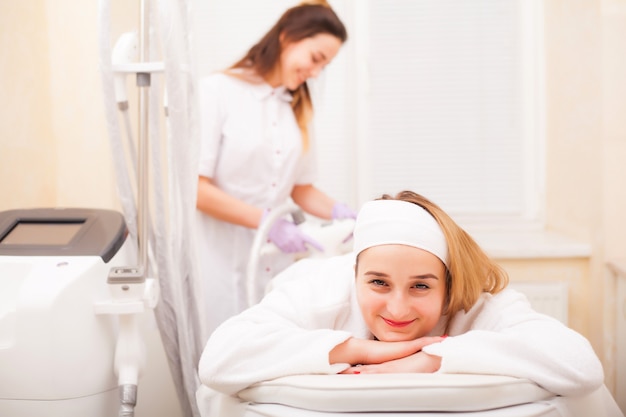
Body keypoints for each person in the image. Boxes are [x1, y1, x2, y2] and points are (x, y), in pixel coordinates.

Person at [198, 190, 605, 401]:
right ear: (354, 274)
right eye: (378, 283)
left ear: (448, 285)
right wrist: (359, 350)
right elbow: (218, 363)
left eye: (421, 286)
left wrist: (430, 359)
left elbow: (582, 368)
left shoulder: (474, 303)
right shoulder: (321, 288)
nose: (397, 308)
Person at [195, 1, 355, 335]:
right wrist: (268, 224)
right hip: (219, 262)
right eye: (316, 59)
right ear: (288, 37)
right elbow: (197, 189)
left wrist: (343, 213)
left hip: (275, 266)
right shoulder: (217, 92)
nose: (316, 73)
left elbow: (301, 188)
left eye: (324, 66)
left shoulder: (296, 107)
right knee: (224, 356)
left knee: (273, 351)